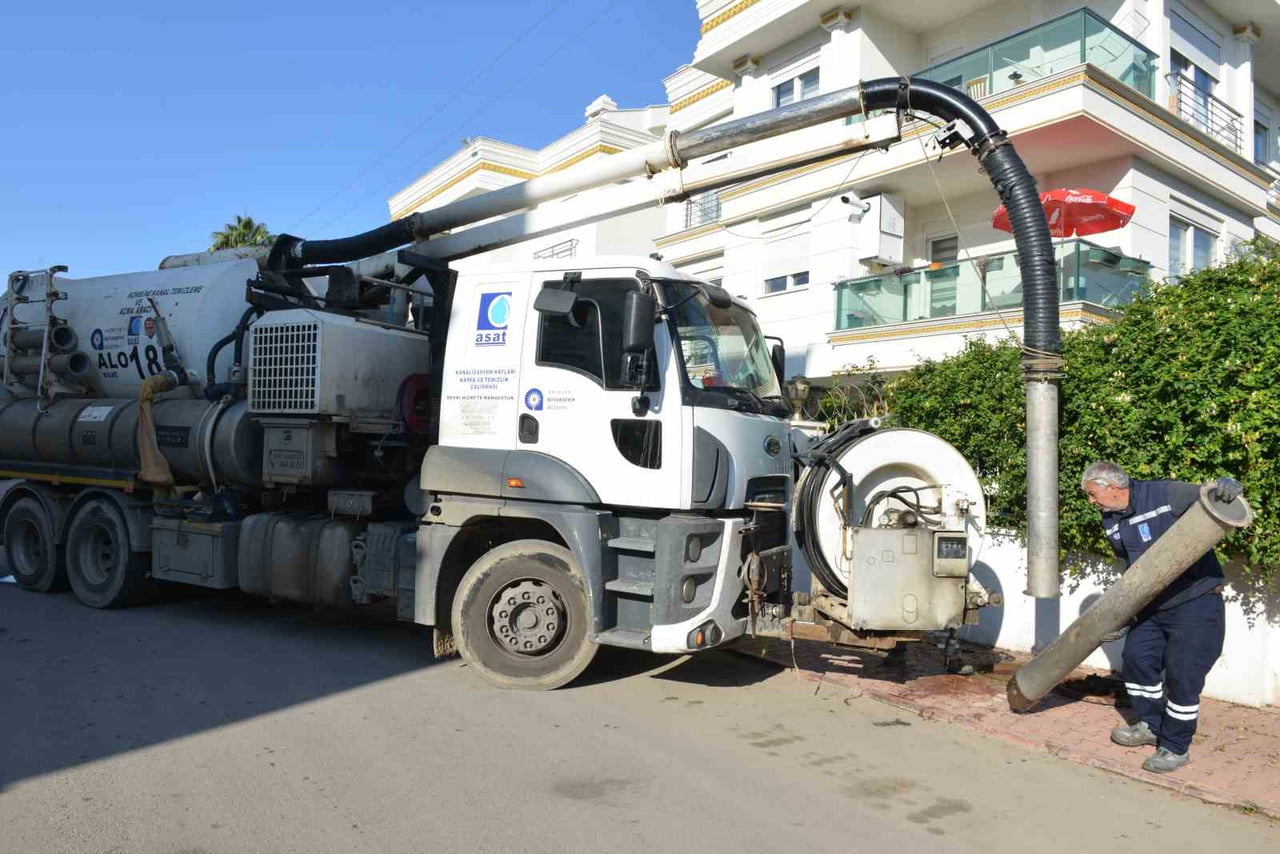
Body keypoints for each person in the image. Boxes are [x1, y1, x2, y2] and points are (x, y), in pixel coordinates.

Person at [1080, 461, 1242, 774]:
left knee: (1183, 676)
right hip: (1153, 606)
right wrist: (1125, 616)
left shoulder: (1164, 493)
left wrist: (1228, 487)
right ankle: (1150, 725)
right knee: (1137, 659)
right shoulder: (1110, 520)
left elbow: (1212, 497)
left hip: (1195, 602)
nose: (1091, 501)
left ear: (1111, 488)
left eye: (1092, 494)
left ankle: (1176, 747)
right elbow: (1131, 568)